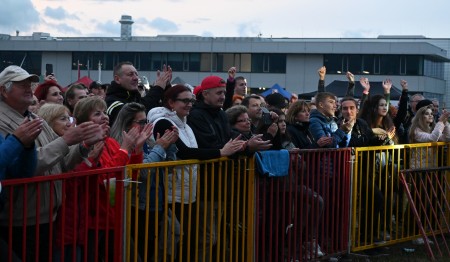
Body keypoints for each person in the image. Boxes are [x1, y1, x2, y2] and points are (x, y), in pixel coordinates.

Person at [0, 65, 105, 261]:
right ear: (3, 90)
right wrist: (66, 141)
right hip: (19, 219)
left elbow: (61, 163)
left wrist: (83, 145)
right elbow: (23, 167)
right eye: (20, 84)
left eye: (29, 83)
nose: (28, 87)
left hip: (48, 215)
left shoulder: (35, 118)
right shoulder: (2, 121)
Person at [149, 84, 244, 261]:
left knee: (187, 238)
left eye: (191, 100)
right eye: (185, 101)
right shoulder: (162, 122)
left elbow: (194, 150)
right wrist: (221, 152)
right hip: (171, 192)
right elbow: (183, 152)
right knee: (173, 239)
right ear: (171, 102)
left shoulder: (185, 124)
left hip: (188, 191)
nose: (190, 104)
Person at [72, 96, 149, 262]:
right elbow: (104, 178)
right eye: (97, 113)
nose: (104, 116)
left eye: (105, 112)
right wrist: (125, 150)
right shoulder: (83, 146)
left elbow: (127, 178)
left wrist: (136, 150)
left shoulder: (112, 143)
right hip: (93, 220)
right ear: (83, 121)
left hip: (112, 216)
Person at [110, 102, 178, 261]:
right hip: (137, 205)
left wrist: (170, 145)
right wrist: (160, 147)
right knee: (140, 251)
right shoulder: (120, 143)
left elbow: (170, 165)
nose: (146, 126)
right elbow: (143, 173)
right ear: (127, 124)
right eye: (141, 122)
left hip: (155, 202)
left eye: (146, 121)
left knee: (169, 236)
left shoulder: (147, 139)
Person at [188, 75, 246, 261]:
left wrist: (245, 146)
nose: (223, 96)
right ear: (205, 93)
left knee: (215, 237)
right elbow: (212, 144)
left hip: (221, 186)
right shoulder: (196, 115)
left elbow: (229, 140)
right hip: (206, 187)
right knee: (207, 238)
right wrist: (227, 149)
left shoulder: (220, 113)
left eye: (224, 92)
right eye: (219, 92)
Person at [105, 62, 171, 125]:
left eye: (136, 74)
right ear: (117, 79)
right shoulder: (112, 102)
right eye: (130, 74)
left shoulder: (135, 97)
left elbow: (166, 108)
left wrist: (166, 86)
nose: (136, 78)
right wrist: (158, 88)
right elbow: (137, 113)